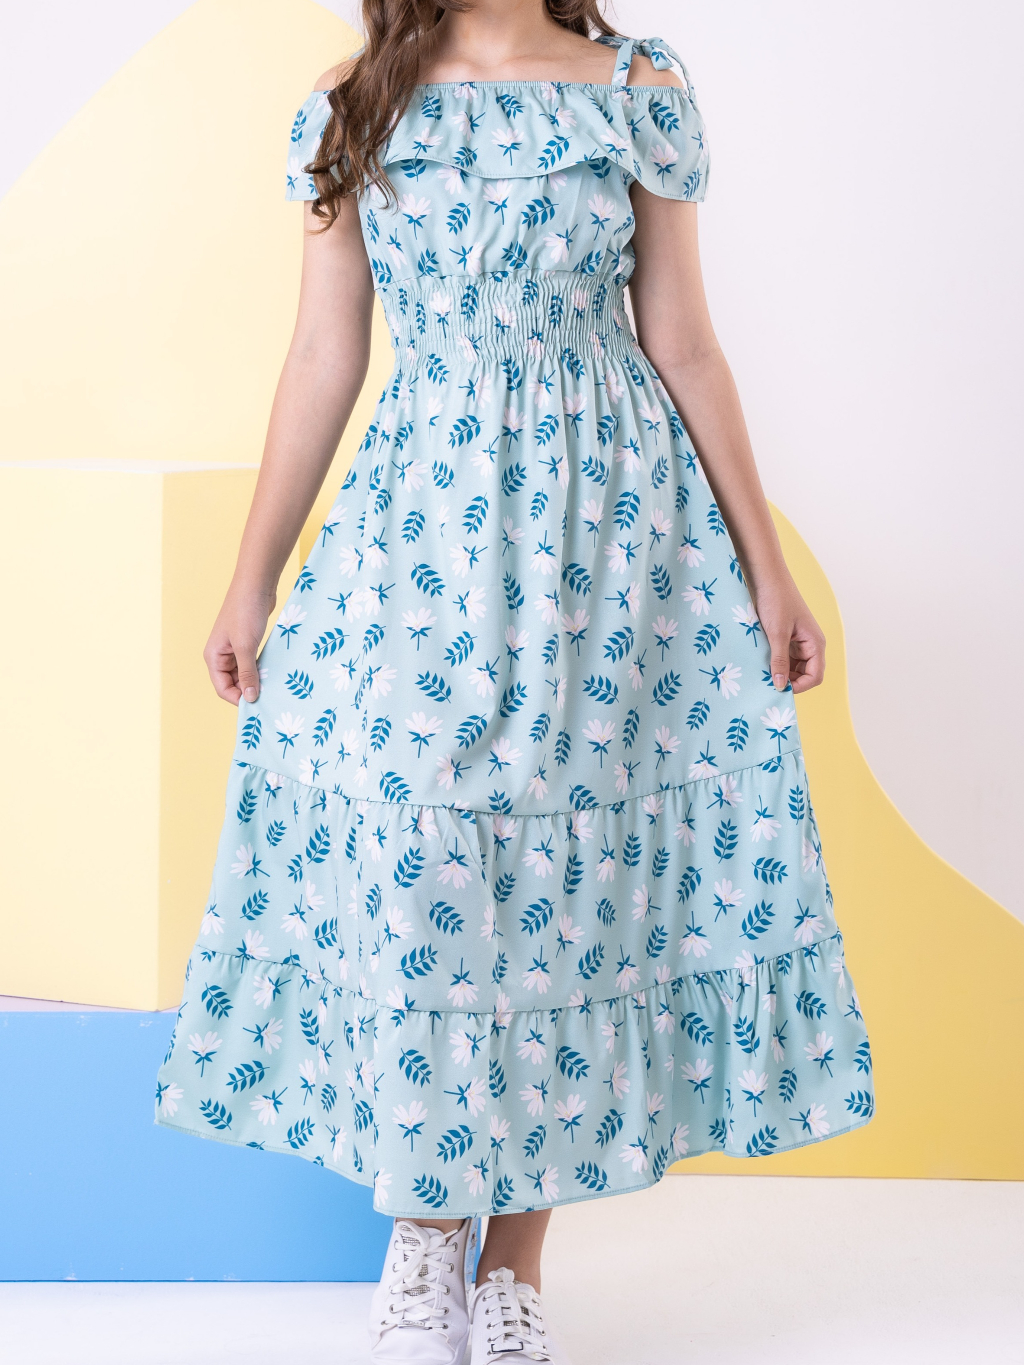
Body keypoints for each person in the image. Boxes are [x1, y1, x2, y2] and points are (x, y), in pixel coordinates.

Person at [154, 2, 875, 1360]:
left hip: (610, 533)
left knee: (566, 886)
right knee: (425, 856)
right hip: (422, 525)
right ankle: (427, 1225)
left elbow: (684, 340)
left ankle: (515, 1263)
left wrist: (767, 569)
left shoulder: (636, 88)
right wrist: (253, 575)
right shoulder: (357, 105)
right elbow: (324, 351)